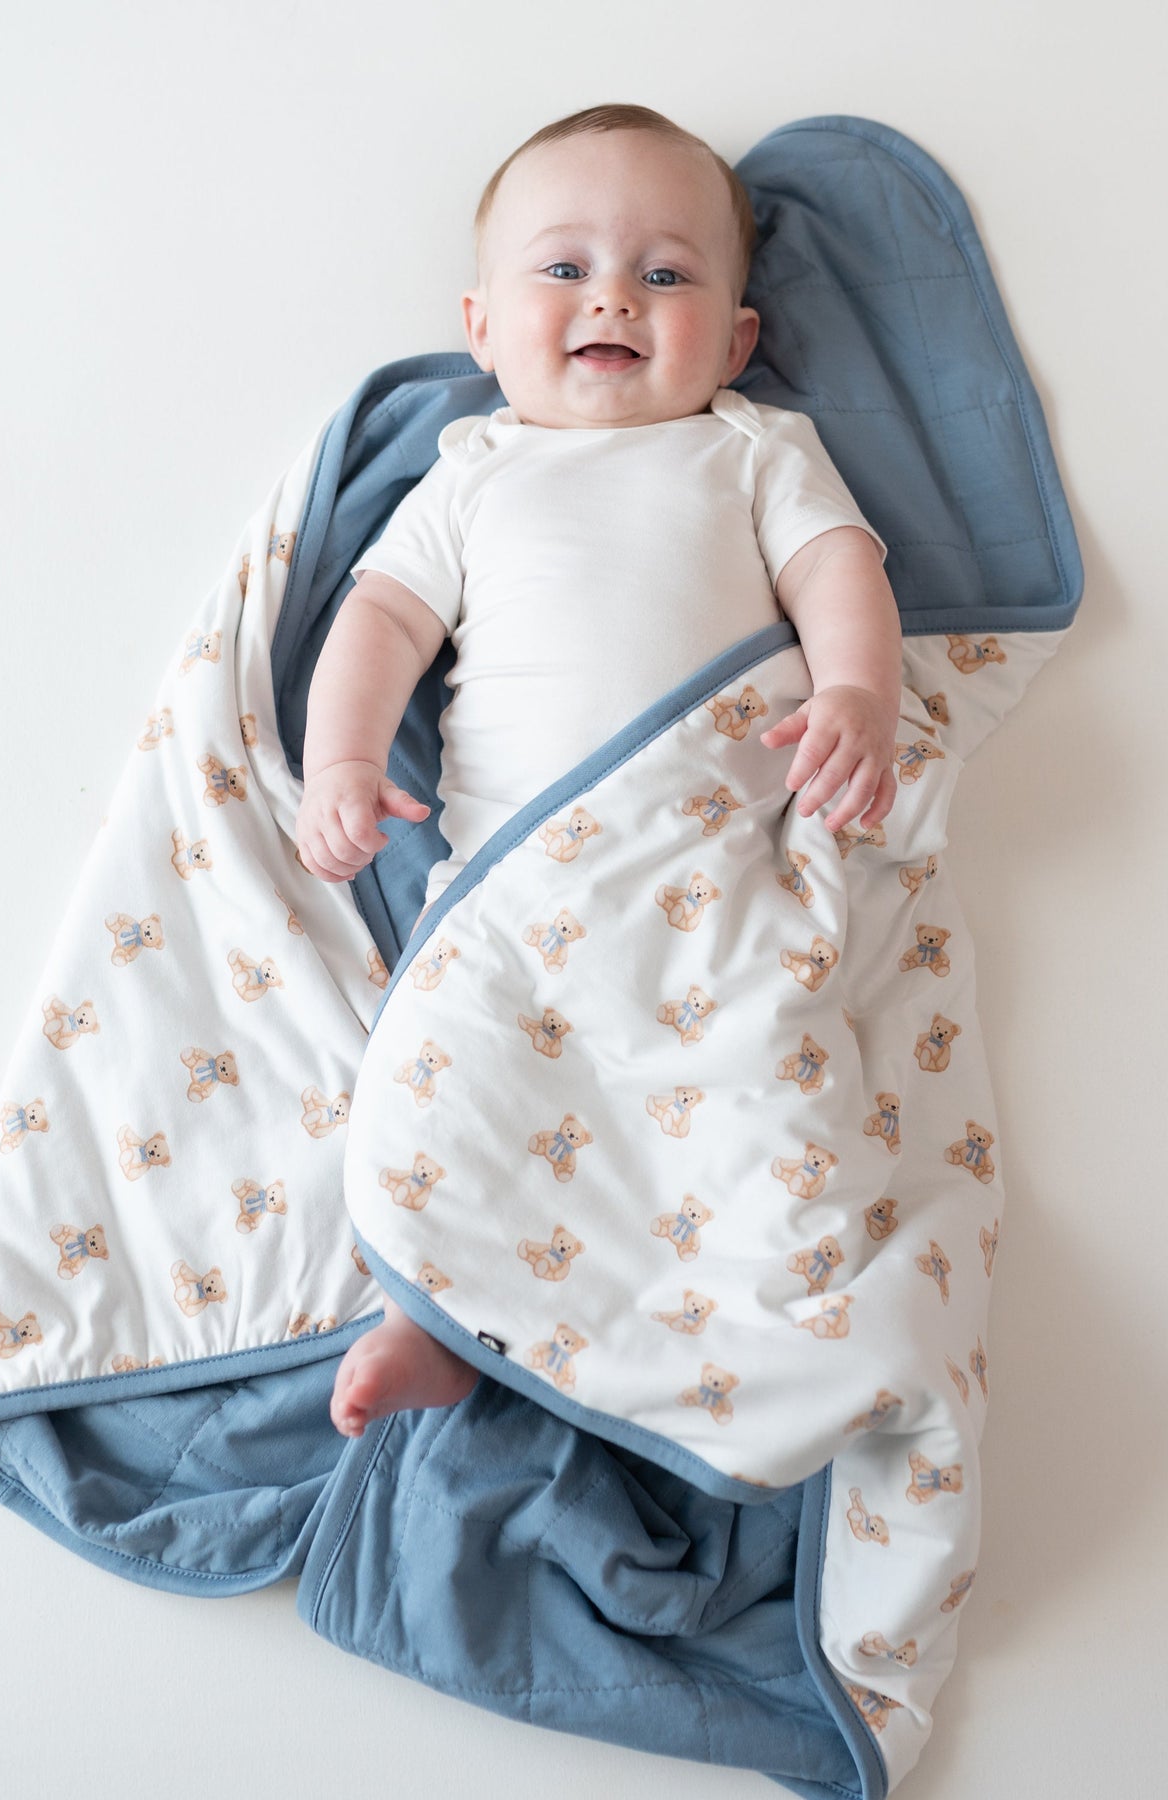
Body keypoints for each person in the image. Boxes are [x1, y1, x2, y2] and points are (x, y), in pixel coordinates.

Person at [294, 103, 902, 1438]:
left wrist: (859, 691)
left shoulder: (751, 450)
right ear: (483, 324)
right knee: (442, 1069)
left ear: (737, 339)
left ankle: (752, 1326)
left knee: (756, 1079)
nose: (612, 297)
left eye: (666, 274)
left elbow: (836, 571)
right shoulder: (473, 477)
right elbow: (382, 619)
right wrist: (340, 758)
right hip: (519, 886)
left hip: (712, 868)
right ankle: (433, 1311)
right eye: (562, 268)